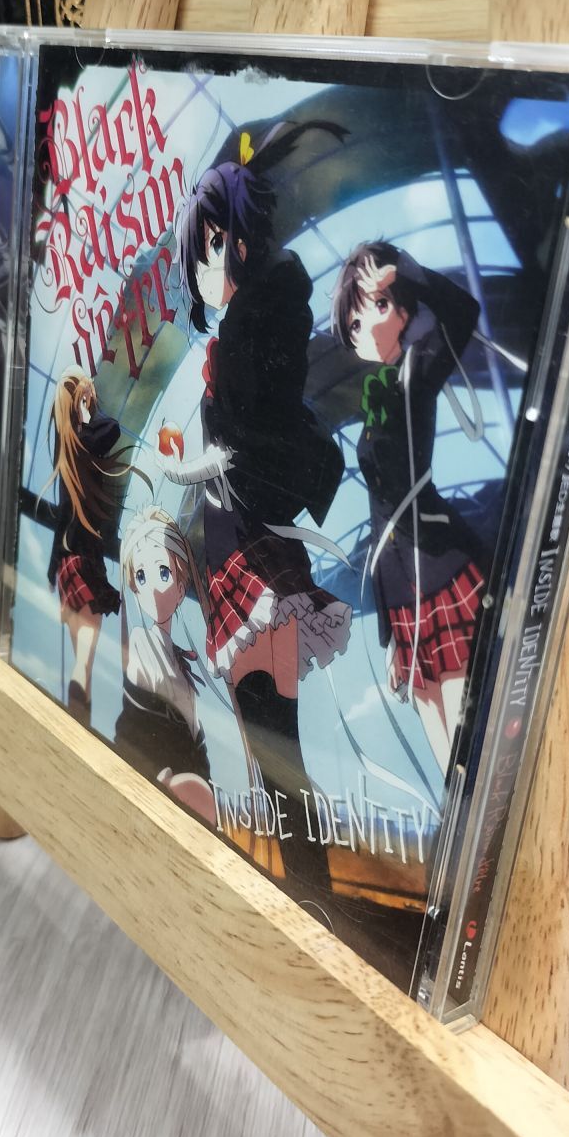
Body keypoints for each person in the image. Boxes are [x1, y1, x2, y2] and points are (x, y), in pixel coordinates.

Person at [159, 121, 350, 903]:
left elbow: (244, 449)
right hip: (239, 560)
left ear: (235, 242)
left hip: (253, 566)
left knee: (276, 754)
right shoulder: (240, 340)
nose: (202, 267)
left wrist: (187, 463)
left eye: (210, 246)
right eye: (198, 250)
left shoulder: (250, 335)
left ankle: (310, 904)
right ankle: (306, 898)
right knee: (272, 752)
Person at [330, 241, 485, 772]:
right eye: (353, 322)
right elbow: (379, 520)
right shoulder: (377, 393)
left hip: (438, 566)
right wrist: (391, 635)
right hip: (401, 587)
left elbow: (463, 311)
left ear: (401, 310)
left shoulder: (418, 367)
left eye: (377, 306)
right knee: (431, 716)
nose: (365, 329)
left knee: (459, 718)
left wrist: (407, 269)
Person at [44, 366, 136, 725]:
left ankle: (79, 716)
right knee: (85, 657)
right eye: (87, 394)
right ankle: (79, 706)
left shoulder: (67, 454)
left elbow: (61, 518)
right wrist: (87, 411)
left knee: (82, 658)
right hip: (86, 561)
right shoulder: (86, 442)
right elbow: (110, 429)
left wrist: (52, 569)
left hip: (67, 566)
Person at [114, 506, 215, 824]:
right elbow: (134, 727)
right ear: (134, 588)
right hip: (150, 789)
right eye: (141, 577)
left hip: (191, 801)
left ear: (181, 587)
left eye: (163, 573)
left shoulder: (181, 664)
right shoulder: (141, 643)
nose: (154, 588)